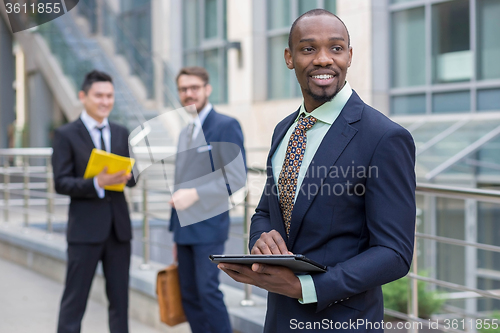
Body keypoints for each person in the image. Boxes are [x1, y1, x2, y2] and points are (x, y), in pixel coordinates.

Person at [219, 9, 416, 333]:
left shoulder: (383, 137)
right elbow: (266, 213)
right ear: (289, 57)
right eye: (308, 48)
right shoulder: (285, 130)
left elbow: (394, 253)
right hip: (281, 319)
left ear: (349, 56)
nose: (323, 59)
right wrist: (263, 239)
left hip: (344, 322)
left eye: (335, 48)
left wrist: (307, 288)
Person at [53, 70, 136, 333]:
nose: (105, 101)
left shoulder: (121, 132)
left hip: (118, 231)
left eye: (109, 96)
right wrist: (96, 183)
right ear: (83, 97)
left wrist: (131, 175)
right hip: (84, 231)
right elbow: (61, 182)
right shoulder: (66, 134)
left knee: (120, 303)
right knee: (74, 301)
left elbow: (132, 179)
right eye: (99, 95)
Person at [168, 66, 246, 333]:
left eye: (194, 88)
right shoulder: (184, 132)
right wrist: (175, 233)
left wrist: (196, 194)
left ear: (207, 89)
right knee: (189, 295)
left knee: (208, 293)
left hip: (209, 227)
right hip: (184, 230)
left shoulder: (226, 125)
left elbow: (236, 177)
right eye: (183, 89)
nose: (188, 94)